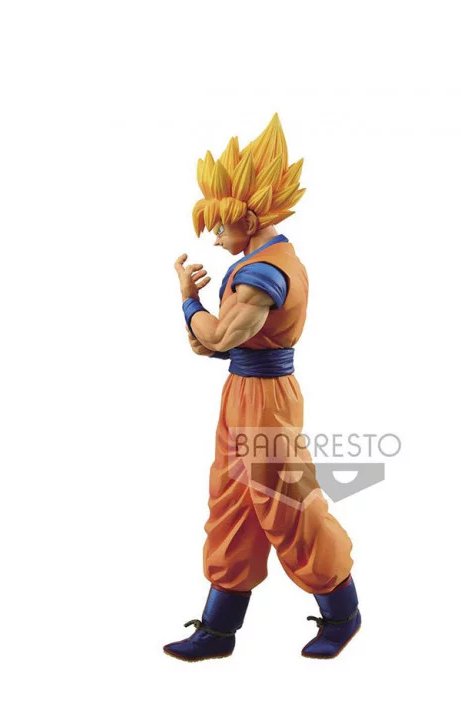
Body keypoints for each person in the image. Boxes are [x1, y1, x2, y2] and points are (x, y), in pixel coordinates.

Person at [163, 114, 361, 661]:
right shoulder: (253, 265)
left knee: (288, 504)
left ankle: (342, 613)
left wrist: (188, 301)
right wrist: (203, 328)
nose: (215, 238)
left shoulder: (266, 271)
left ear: (249, 219)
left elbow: (218, 336)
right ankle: (218, 629)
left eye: (220, 226)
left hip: (268, 397)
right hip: (241, 391)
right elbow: (210, 346)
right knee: (232, 503)